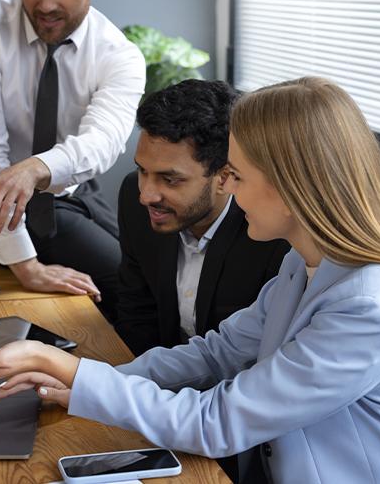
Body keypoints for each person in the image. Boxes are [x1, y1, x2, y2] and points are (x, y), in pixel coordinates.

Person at [0, 77, 380, 483]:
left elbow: (219, 422)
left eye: (236, 175)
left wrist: (69, 370)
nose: (229, 192)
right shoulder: (305, 265)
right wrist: (81, 383)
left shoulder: (368, 308)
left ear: (293, 186)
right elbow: (214, 354)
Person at [0, 0, 145, 319]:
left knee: (147, 270)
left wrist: (35, 168)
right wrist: (27, 266)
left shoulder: (118, 54)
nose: (45, 3)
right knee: (126, 287)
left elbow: (104, 140)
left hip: (75, 192)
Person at [115, 79, 288, 356]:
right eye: (142, 171)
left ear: (224, 177)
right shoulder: (133, 199)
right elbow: (136, 310)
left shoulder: (270, 232)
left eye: (170, 180)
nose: (146, 195)